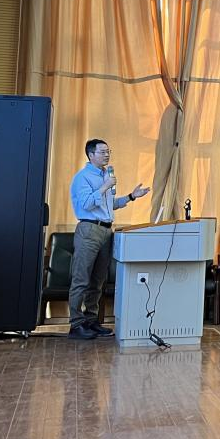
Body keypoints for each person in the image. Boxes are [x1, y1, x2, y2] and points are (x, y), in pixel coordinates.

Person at [68, 139, 150, 339]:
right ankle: (76, 325)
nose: (107, 155)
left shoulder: (106, 175)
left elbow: (107, 205)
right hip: (89, 229)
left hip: (106, 231)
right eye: (102, 152)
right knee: (81, 278)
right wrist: (104, 187)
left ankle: (91, 320)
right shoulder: (82, 178)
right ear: (91, 155)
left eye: (108, 151)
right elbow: (87, 204)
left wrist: (131, 196)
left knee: (98, 280)